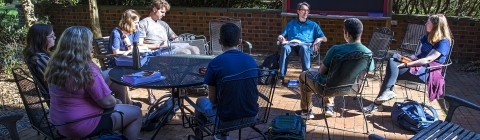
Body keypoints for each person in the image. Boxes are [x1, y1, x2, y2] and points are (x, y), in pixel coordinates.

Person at [44, 26, 142, 140]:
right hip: (81, 125)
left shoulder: (55, 64)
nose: (91, 47)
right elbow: (108, 103)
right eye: (90, 43)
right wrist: (117, 101)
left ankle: (121, 129)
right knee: (136, 112)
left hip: (59, 122)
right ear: (83, 46)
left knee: (116, 87)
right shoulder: (86, 69)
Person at [363, 14, 452, 113]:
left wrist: (407, 64)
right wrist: (404, 59)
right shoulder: (427, 36)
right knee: (393, 61)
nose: (425, 24)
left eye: (428, 22)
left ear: (436, 26)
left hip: (428, 72)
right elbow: (417, 55)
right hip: (417, 65)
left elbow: (428, 60)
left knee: (391, 72)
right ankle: (386, 94)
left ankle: (379, 102)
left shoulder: (444, 42)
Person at [297, 18, 374, 119]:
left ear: (347, 34)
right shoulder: (368, 53)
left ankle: (306, 111)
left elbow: (321, 71)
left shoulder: (336, 49)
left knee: (304, 75)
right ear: (360, 33)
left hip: (328, 89)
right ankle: (328, 106)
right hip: (352, 88)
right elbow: (368, 70)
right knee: (332, 74)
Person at [195, 23, 259, 140]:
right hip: (252, 115)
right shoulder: (252, 61)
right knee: (233, 99)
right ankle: (223, 136)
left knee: (200, 101)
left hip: (225, 120)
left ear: (219, 41)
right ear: (239, 41)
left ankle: (199, 136)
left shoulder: (215, 63)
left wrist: (213, 75)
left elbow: (213, 100)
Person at [107, 9, 154, 105]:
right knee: (130, 73)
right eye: (135, 22)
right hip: (118, 62)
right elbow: (116, 52)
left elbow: (134, 48)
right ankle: (128, 103)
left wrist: (129, 45)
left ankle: (144, 97)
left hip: (130, 60)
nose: (137, 25)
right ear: (129, 21)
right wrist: (129, 48)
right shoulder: (116, 33)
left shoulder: (136, 31)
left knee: (147, 64)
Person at [277, 2, 327, 87]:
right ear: (298, 11)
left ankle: (306, 77)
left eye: (307, 10)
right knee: (285, 48)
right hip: (292, 46)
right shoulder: (291, 24)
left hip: (306, 48)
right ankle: (281, 77)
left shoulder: (313, 25)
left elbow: (325, 38)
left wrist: (319, 39)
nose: (306, 12)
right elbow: (281, 35)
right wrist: (280, 37)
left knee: (304, 47)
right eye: (303, 10)